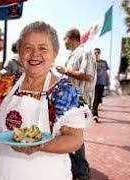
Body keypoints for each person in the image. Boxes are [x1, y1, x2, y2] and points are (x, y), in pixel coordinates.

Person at [0, 21, 87, 180]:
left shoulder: (64, 90)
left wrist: (41, 146)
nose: (35, 54)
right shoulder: (5, 85)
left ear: (55, 53)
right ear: (20, 53)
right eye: (28, 48)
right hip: (1, 173)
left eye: (43, 48)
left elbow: (75, 139)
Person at [56, 28, 97, 180]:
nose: (64, 43)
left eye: (64, 39)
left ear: (70, 38)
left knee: (74, 135)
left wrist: (65, 70)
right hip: (71, 100)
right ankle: (77, 170)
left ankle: (82, 172)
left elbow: (87, 76)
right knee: (69, 133)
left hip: (80, 101)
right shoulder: (74, 55)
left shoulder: (85, 52)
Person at [92, 48, 109, 123]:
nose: (96, 54)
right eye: (95, 53)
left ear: (100, 53)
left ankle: (94, 111)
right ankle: (95, 114)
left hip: (102, 83)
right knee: (95, 99)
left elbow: (106, 73)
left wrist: (108, 82)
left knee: (99, 100)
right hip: (94, 83)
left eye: (98, 52)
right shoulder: (92, 62)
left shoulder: (104, 62)